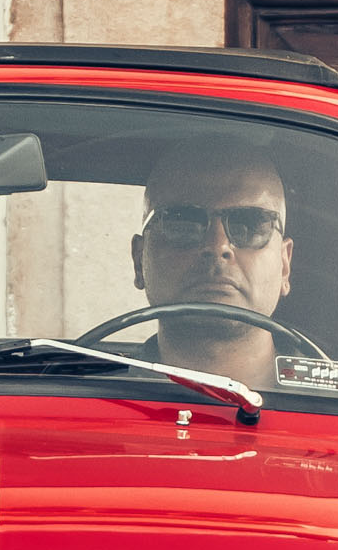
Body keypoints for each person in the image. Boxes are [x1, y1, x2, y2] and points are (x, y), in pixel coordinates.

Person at [127, 143, 299, 385]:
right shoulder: (88, 404)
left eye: (250, 225)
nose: (218, 246)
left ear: (285, 264)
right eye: (182, 223)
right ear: (139, 259)